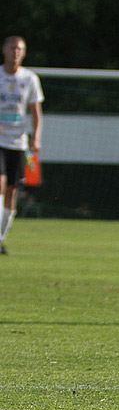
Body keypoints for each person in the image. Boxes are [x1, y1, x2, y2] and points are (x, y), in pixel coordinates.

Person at [0, 36, 43, 255]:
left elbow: (36, 112)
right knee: (0, 183)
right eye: (12, 47)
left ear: (23, 53)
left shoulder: (30, 79)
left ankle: (1, 238)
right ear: (4, 50)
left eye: (20, 49)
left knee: (12, 191)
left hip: (17, 142)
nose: (15, 52)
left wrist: (36, 137)